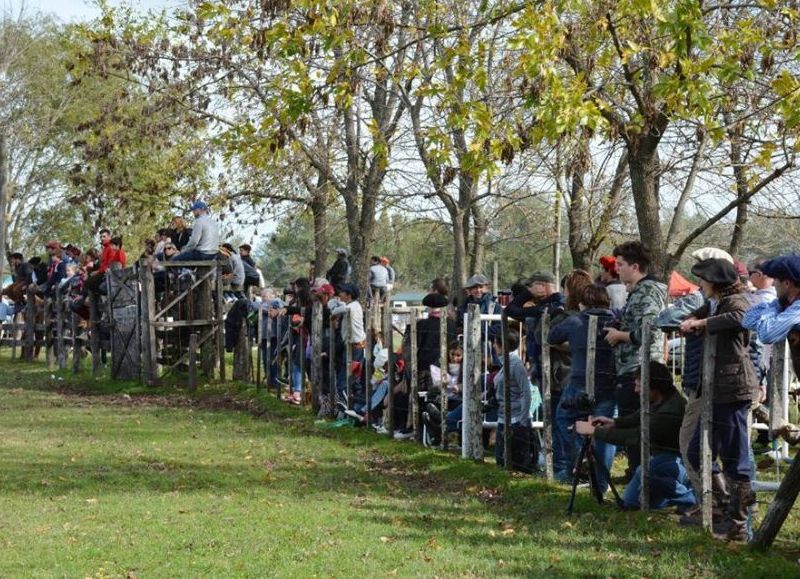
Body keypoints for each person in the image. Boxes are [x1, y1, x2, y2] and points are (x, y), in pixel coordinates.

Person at [682, 258, 759, 541]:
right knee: (695, 452)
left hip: (733, 388)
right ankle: (723, 507)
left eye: (704, 280)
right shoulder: (713, 303)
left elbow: (740, 318)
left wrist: (701, 323)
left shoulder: (738, 301)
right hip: (715, 390)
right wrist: (690, 321)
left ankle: (738, 524)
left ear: (715, 282)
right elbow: (692, 317)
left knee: (735, 459)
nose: (700, 284)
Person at [575, 361, 696, 511]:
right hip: (661, 458)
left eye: (639, 385)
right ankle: (674, 498)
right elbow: (636, 418)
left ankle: (690, 497)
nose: (635, 390)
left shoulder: (670, 411)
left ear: (653, 387)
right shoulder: (658, 400)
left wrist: (594, 431)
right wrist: (613, 422)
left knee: (643, 472)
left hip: (679, 462)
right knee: (631, 503)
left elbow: (636, 436)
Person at [604, 241, 667, 476]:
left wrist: (619, 335)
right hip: (632, 366)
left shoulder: (647, 292)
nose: (616, 269)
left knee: (638, 423)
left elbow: (649, 331)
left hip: (640, 367)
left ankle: (642, 475)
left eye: (620, 265)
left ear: (635, 266)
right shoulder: (637, 292)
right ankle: (637, 473)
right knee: (634, 421)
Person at [549, 284, 617, 489]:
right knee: (605, 431)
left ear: (581, 303)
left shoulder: (575, 320)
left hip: (579, 380)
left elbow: (551, 337)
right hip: (609, 382)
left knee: (564, 417)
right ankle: (601, 484)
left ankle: (582, 454)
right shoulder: (616, 321)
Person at [493, 329, 533, 473]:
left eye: (495, 343)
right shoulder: (505, 363)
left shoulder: (515, 364)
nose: (493, 346)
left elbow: (526, 393)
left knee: (516, 463)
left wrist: (522, 421)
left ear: (500, 345)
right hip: (504, 417)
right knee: (500, 461)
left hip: (516, 419)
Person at [330, 283, 366, 401]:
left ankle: (348, 407)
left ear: (349, 295)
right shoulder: (352, 305)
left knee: (344, 382)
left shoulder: (352, 307)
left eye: (342, 292)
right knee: (352, 380)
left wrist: (334, 303)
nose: (340, 294)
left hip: (355, 348)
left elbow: (335, 311)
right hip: (352, 347)